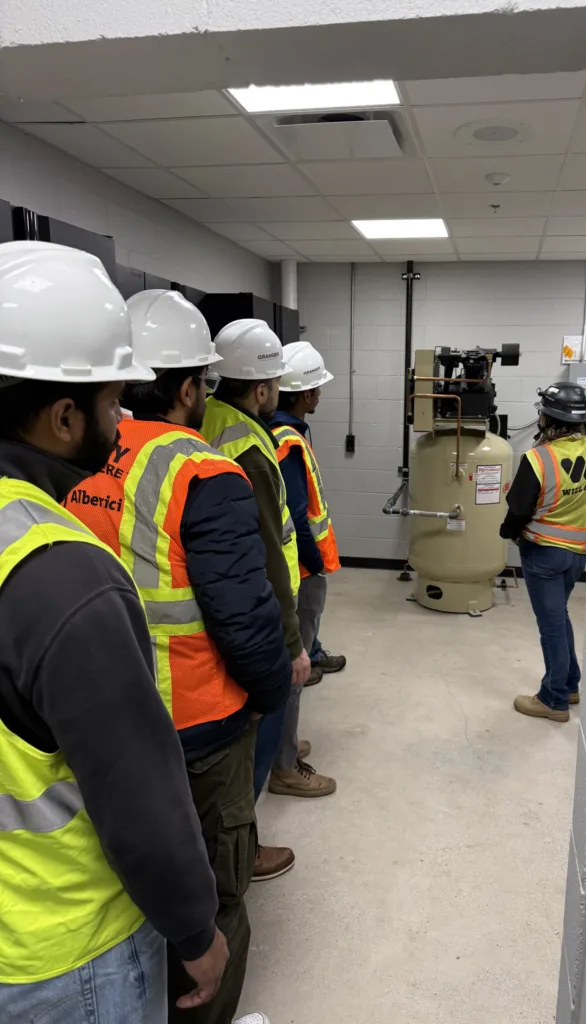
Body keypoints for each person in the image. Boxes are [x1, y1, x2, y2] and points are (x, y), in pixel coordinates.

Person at [0, 242, 226, 1023]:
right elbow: (137, 796)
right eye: (110, 398)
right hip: (61, 950)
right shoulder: (61, 573)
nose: (123, 414)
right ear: (63, 417)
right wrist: (196, 927)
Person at [64, 288, 291, 1024]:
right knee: (213, 896)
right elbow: (244, 615)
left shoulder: (78, 459)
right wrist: (269, 693)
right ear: (192, 385)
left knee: (133, 891)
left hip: (102, 720)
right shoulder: (202, 471)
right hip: (199, 723)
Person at [201, 319, 329, 833]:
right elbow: (272, 539)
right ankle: (245, 842)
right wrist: (293, 638)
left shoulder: (210, 418)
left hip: (224, 589)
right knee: (272, 695)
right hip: (261, 597)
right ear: (262, 387)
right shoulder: (251, 447)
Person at [270, 341, 344, 798]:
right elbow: (298, 515)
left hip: (290, 567)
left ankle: (285, 743)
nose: (319, 394)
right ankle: (284, 766)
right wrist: (315, 566)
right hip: (299, 571)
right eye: (315, 387)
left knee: (291, 665)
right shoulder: (289, 440)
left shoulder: (277, 430)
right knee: (295, 669)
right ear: (305, 394)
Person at [500, 382, 586, 723]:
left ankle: (552, 700)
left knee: (551, 627)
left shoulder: (539, 457)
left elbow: (519, 508)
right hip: (579, 553)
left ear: (547, 417)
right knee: (560, 619)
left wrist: (507, 533)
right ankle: (570, 686)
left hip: (543, 554)